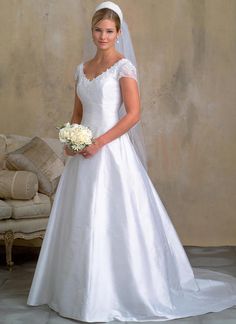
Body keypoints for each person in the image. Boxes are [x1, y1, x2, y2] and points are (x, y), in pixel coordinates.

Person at [27, 1, 236, 322]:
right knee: (80, 219)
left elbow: (134, 114)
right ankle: (75, 289)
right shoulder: (81, 69)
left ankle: (115, 291)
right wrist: (70, 141)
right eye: (98, 30)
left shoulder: (124, 67)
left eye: (109, 31)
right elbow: (78, 114)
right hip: (83, 154)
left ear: (119, 33)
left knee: (114, 218)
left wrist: (99, 142)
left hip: (110, 152)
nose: (103, 36)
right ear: (92, 31)